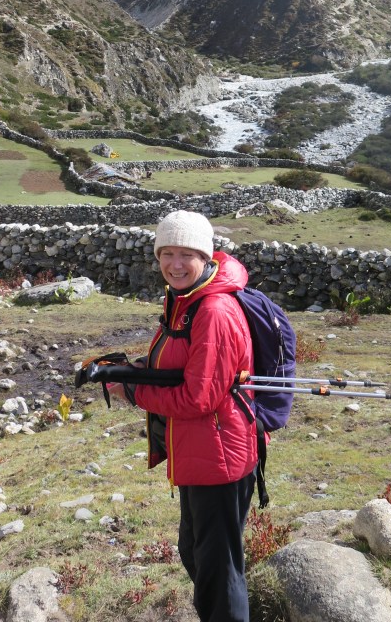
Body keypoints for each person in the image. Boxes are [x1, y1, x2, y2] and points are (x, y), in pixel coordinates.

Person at [107, 209, 258, 622]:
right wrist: (130, 370)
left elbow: (198, 397)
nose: (175, 264)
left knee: (218, 574)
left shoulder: (213, 311)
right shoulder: (184, 301)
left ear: (206, 256)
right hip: (199, 453)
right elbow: (181, 364)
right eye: (166, 253)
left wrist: (134, 392)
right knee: (195, 553)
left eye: (186, 254)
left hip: (220, 458)